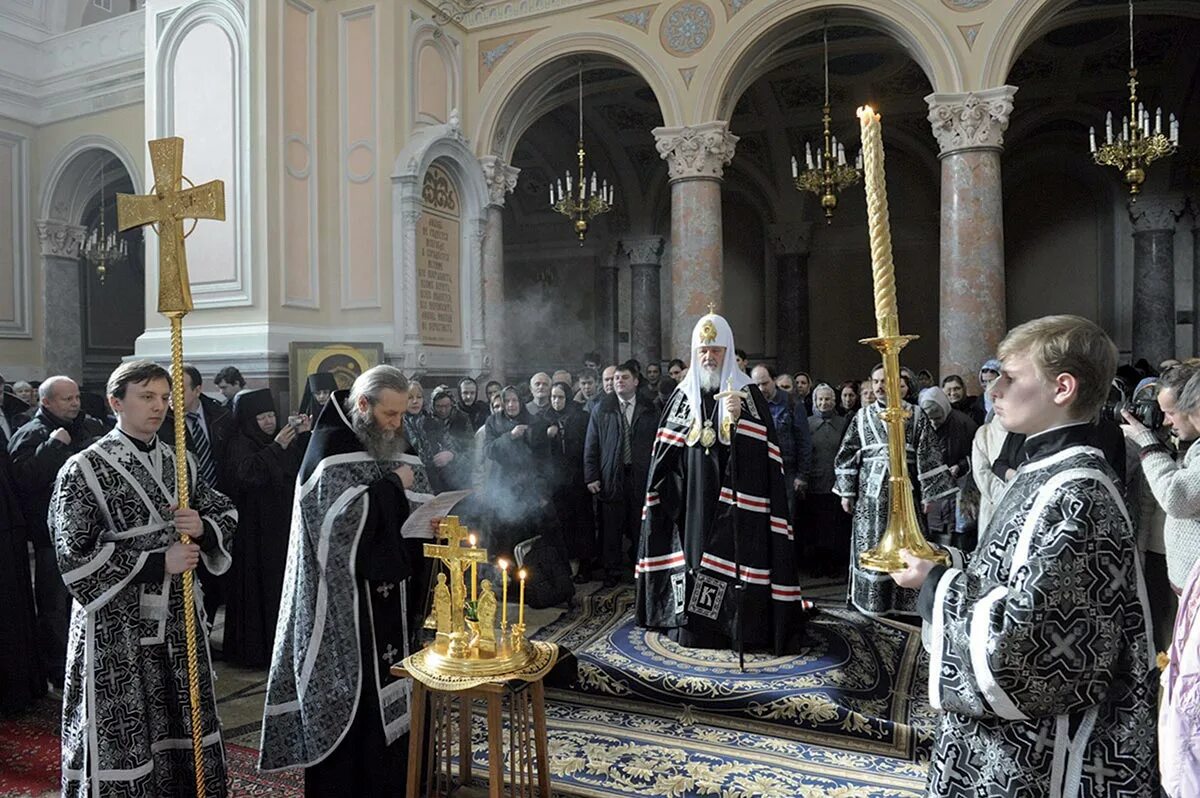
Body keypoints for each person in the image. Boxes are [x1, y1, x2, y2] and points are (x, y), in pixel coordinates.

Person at [890, 315, 1158, 797]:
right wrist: (948, 563)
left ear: (1063, 387)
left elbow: (1032, 647)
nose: (992, 387)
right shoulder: (1045, 471)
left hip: (1040, 753)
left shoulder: (1078, 493)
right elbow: (1010, 576)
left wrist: (937, 584)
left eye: (1010, 377)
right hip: (1015, 740)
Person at [51, 360, 238, 797]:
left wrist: (201, 528)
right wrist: (157, 561)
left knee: (181, 726)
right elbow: (72, 556)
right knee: (123, 731)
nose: (159, 407)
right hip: (116, 630)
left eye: (164, 397)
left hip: (178, 622)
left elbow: (225, 512)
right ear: (116, 402)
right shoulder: (83, 470)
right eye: (146, 397)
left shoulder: (181, 462)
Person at [260, 365, 417, 796]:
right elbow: (337, 529)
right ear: (363, 405)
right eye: (390, 415)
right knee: (356, 703)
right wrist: (392, 489)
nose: (397, 424)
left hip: (384, 596)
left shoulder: (385, 439)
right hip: (340, 609)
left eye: (403, 415)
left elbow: (406, 497)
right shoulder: (328, 447)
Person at [636, 312, 807, 654]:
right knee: (696, 557)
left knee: (733, 562)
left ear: (727, 352)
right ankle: (694, 626)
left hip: (737, 500)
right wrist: (670, 492)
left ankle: (733, 627)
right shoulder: (682, 396)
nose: (708, 357)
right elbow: (663, 456)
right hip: (693, 500)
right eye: (702, 350)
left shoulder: (747, 394)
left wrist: (740, 422)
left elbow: (766, 460)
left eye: (715, 350)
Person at [7, 375, 107, 687]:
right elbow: (22, 482)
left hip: (92, 534)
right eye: (67, 399)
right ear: (45, 401)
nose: (75, 403)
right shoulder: (31, 433)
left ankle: (93, 662)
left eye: (76, 397)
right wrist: (52, 447)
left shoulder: (90, 427)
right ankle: (60, 671)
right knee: (54, 608)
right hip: (51, 538)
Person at [834, 363, 954, 617]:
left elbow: (928, 455)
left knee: (906, 549)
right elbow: (846, 454)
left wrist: (929, 495)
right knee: (871, 545)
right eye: (875, 381)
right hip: (870, 499)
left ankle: (905, 606)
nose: (879, 386)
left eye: (884, 381)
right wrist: (847, 492)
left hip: (907, 496)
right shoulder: (862, 416)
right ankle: (871, 605)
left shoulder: (917, 414)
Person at [222, 388, 307, 668]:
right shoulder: (240, 443)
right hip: (254, 532)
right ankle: (255, 652)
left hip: (279, 528)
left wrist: (301, 437)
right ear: (249, 419)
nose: (269, 422)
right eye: (262, 417)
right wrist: (276, 447)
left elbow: (298, 469)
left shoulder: (276, 440)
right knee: (258, 588)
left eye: (272, 415)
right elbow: (247, 475)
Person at [1122, 361, 1200, 650]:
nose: (1166, 421)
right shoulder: (1188, 444)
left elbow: (1176, 499)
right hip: (1185, 585)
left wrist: (1146, 442)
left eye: (1170, 412)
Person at [160, 364, 234, 629]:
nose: (169, 399)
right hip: (185, 510)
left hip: (219, 504)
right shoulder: (163, 424)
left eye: (177, 391)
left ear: (198, 390)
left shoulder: (221, 416)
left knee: (219, 578)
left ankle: (208, 626)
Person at [585, 361, 658, 587]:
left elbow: (659, 445)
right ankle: (612, 571)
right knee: (611, 528)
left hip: (641, 476)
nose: (619, 381)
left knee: (639, 526)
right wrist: (591, 476)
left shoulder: (651, 409)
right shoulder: (602, 409)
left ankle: (640, 570)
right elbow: (592, 445)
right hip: (611, 476)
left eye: (624, 377)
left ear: (635, 381)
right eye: (616, 378)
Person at [483, 385, 551, 557]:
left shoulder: (535, 422)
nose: (511, 405)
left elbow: (543, 460)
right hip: (502, 486)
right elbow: (489, 450)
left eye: (514, 400)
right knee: (502, 534)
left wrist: (542, 491)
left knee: (527, 533)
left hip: (529, 486)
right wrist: (510, 437)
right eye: (507, 401)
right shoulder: (493, 421)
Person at [545, 380, 595, 581]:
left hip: (578, 478)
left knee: (582, 522)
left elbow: (589, 445)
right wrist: (547, 435)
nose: (556, 401)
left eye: (560, 397)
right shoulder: (545, 418)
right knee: (562, 523)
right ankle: (565, 564)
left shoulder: (581, 416)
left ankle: (585, 565)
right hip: (556, 482)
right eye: (553, 397)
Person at [917, 386, 978, 546]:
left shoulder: (964, 424)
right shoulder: (923, 425)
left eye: (937, 418)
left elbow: (976, 454)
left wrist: (960, 465)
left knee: (958, 532)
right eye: (930, 419)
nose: (934, 422)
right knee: (935, 532)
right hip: (934, 488)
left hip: (959, 487)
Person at [807, 384, 850, 577]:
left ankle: (834, 564)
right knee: (815, 526)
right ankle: (816, 563)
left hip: (836, 483)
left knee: (835, 527)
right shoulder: (807, 423)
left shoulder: (842, 423)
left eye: (828, 399)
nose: (824, 403)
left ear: (834, 401)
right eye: (820, 400)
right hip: (814, 483)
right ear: (815, 401)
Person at [422, 384, 475, 492]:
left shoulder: (462, 419)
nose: (443, 410)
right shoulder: (426, 422)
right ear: (432, 405)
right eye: (439, 406)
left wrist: (453, 456)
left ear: (452, 404)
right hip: (435, 480)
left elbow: (472, 451)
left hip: (460, 478)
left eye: (447, 406)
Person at [403, 380, 429, 456]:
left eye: (419, 397)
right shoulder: (396, 424)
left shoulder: (432, 422)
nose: (415, 401)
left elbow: (448, 445)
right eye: (410, 397)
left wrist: (449, 454)